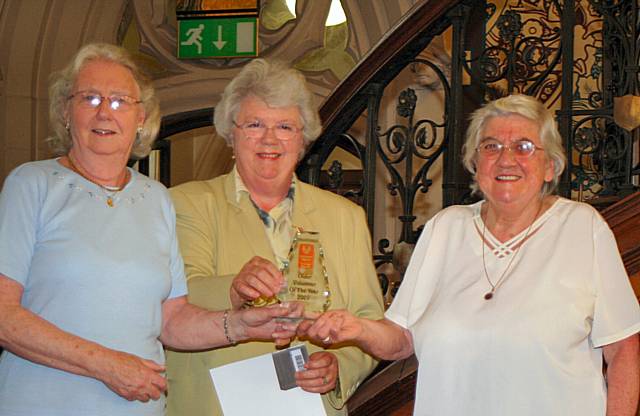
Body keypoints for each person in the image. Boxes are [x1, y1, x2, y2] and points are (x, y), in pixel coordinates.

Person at [0, 43, 299, 416]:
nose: (105, 111)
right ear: (66, 111)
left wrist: (238, 325)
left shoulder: (156, 198)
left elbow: (171, 322)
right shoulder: (31, 185)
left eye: (120, 100)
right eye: (90, 98)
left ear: (141, 117)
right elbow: (4, 316)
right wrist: (107, 365)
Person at [299, 94, 640, 415]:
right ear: (475, 163)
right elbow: (402, 338)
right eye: (491, 146)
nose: (506, 159)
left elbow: (623, 348)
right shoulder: (445, 228)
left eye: (524, 147)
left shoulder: (582, 227)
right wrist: (357, 328)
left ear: (550, 166)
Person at [165, 59, 384, 416]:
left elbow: (369, 322)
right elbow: (176, 298)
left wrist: (338, 365)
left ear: (303, 140)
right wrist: (234, 288)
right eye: (254, 124)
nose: (270, 139)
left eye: (285, 126)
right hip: (212, 405)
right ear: (231, 135)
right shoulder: (186, 204)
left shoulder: (346, 217)